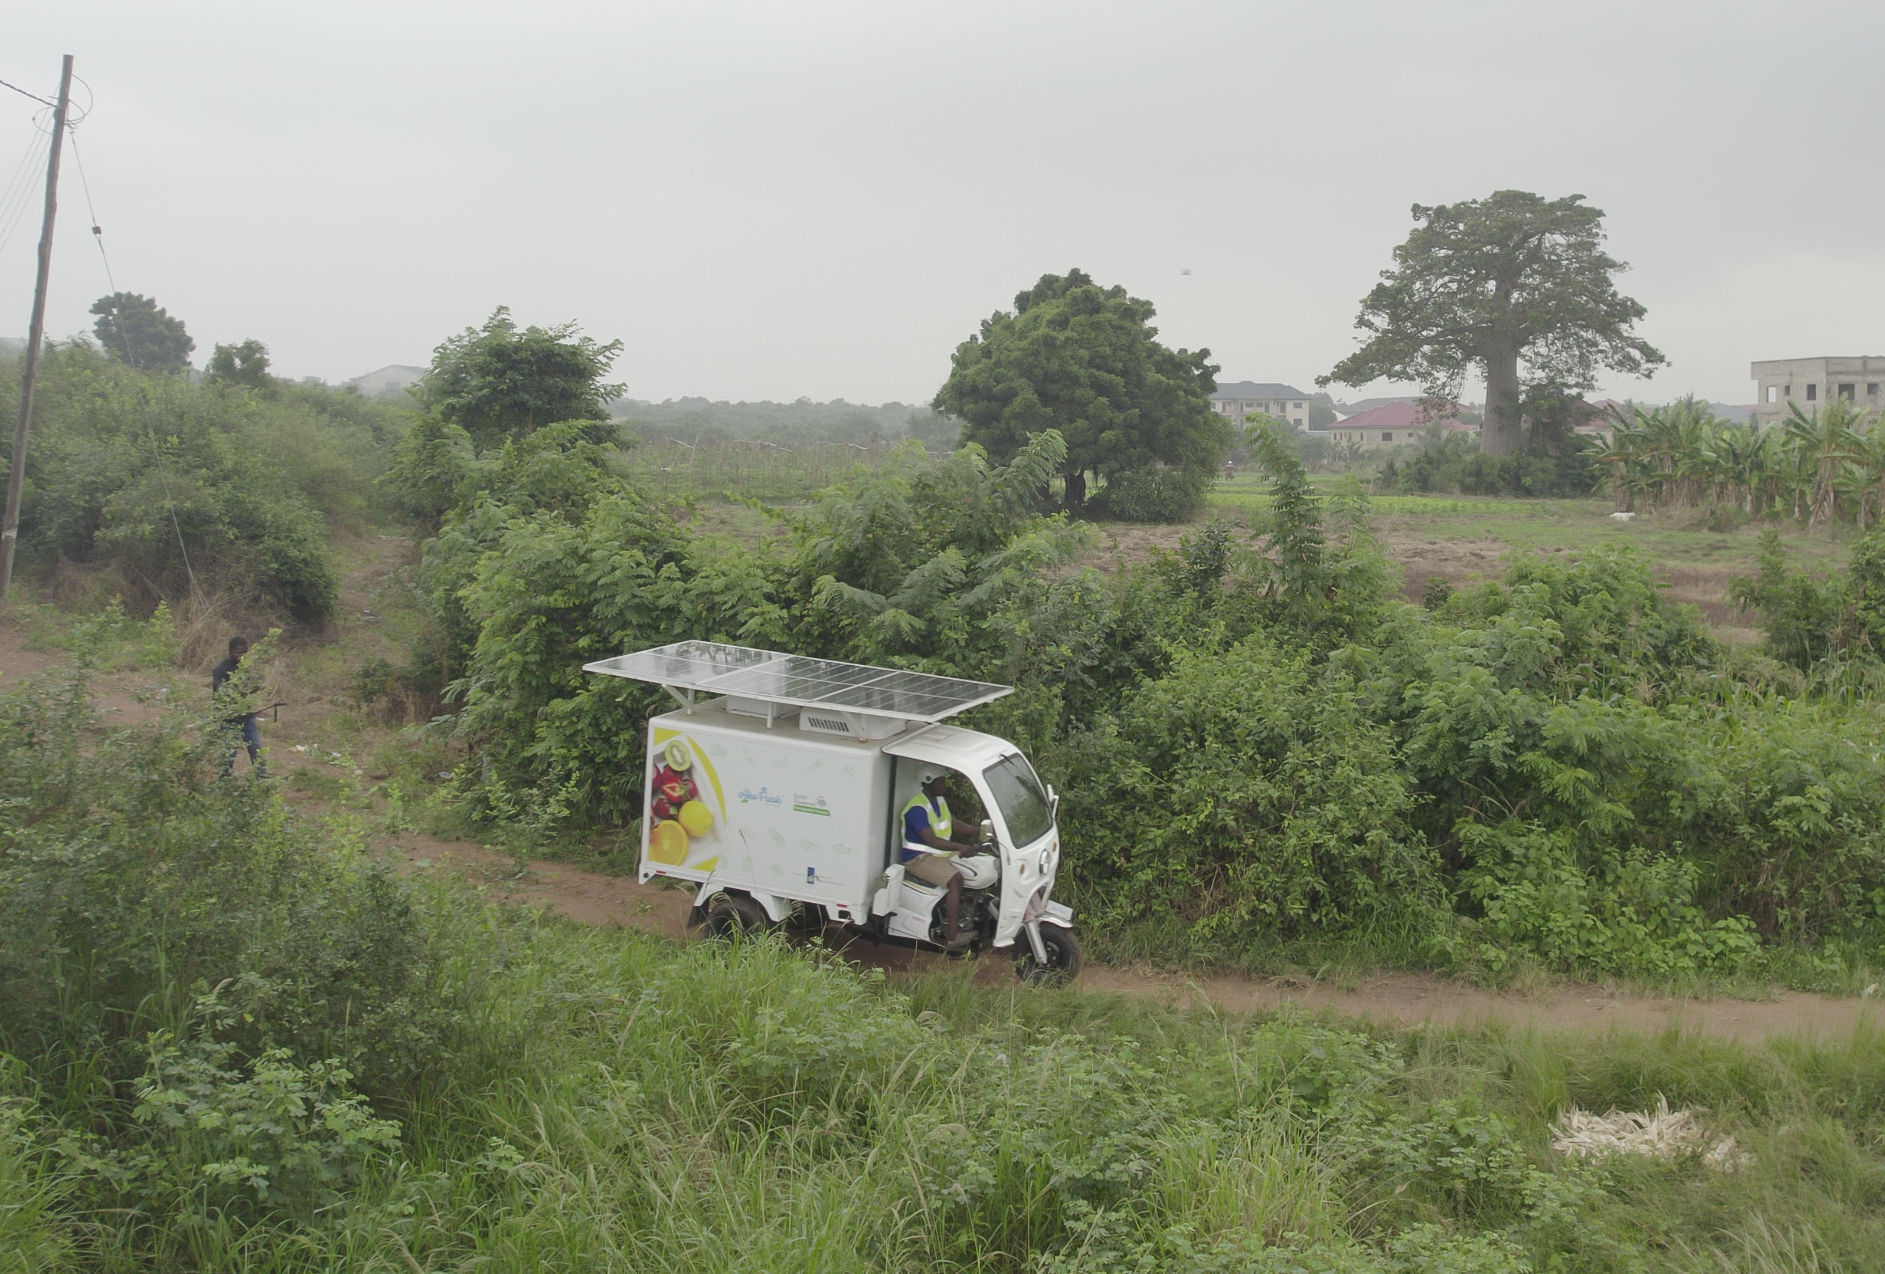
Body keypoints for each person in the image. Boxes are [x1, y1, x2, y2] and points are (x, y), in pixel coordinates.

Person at [900, 769, 981, 950]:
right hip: (918, 859)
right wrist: (959, 847)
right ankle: (953, 935)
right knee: (955, 880)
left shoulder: (939, 801)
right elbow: (930, 840)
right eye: (940, 783)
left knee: (977, 865)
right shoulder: (917, 809)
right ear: (927, 783)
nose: (944, 786)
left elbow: (955, 823)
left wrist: (981, 831)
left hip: (938, 854)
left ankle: (964, 917)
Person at [211, 636, 265, 777]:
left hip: (246, 715)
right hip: (228, 717)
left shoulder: (248, 668)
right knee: (229, 751)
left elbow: (254, 686)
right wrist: (242, 690)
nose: (242, 656)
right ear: (230, 652)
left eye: (245, 653)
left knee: (256, 748)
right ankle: (224, 780)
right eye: (238, 653)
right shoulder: (221, 669)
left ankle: (262, 780)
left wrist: (253, 688)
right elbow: (220, 693)